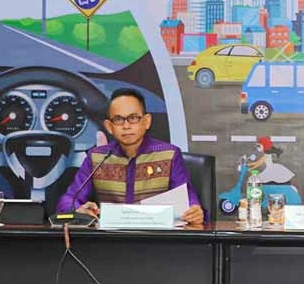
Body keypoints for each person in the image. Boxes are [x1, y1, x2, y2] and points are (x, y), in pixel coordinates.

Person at [57, 88, 205, 224]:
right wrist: (78, 210)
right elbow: (68, 200)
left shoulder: (170, 155)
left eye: (133, 118)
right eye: (118, 119)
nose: (126, 126)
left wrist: (194, 210)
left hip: (156, 238)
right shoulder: (97, 157)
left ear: (146, 122)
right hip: (110, 238)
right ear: (109, 126)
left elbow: (188, 199)